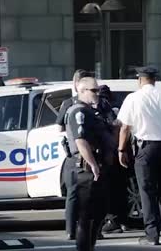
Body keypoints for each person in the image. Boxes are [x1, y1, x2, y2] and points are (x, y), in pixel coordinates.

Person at [117, 66, 161, 245]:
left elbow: (125, 127)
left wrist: (121, 150)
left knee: (147, 191)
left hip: (145, 148)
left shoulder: (133, 98)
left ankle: (152, 234)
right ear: (154, 79)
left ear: (139, 80)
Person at [64, 77, 109, 251]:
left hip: (97, 166)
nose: (97, 94)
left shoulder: (91, 111)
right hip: (86, 169)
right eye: (93, 90)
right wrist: (93, 164)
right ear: (81, 91)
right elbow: (81, 141)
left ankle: (90, 245)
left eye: (98, 90)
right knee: (86, 215)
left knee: (100, 210)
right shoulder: (78, 112)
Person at [56, 69, 95, 240]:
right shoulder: (83, 106)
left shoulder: (68, 103)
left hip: (75, 155)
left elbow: (59, 128)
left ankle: (71, 230)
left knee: (73, 195)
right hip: (83, 154)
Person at [98, 85, 130, 234]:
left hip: (111, 154)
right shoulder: (119, 107)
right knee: (122, 189)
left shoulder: (105, 109)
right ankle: (123, 220)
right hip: (123, 153)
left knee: (110, 190)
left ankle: (113, 220)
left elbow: (113, 128)